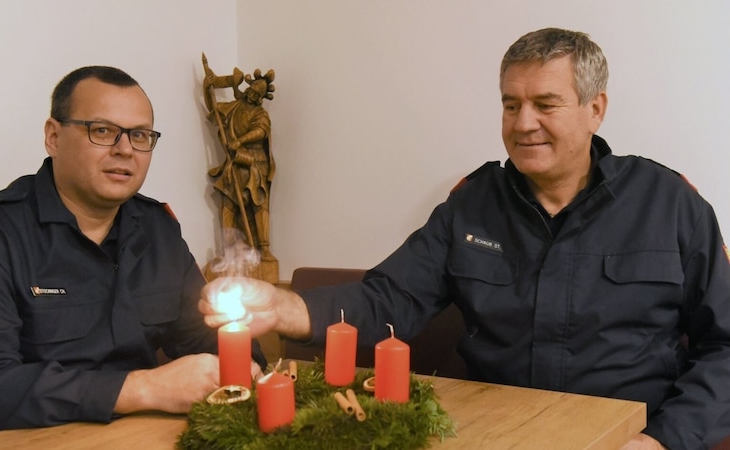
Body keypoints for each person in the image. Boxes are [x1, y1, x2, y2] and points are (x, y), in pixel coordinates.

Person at [199, 28, 730, 450]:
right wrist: (282, 307)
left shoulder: (671, 204)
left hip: (626, 439)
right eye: (510, 104)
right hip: (491, 436)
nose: (524, 124)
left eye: (545, 104)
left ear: (595, 109)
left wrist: (663, 441)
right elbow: (390, 298)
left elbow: (725, 346)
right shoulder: (472, 204)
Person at [0, 66, 265, 444]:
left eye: (139, 135)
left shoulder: (158, 228)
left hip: (138, 436)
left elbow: (206, 337)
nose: (125, 149)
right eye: (102, 131)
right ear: (53, 137)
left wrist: (247, 364)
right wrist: (143, 388)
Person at [202, 59, 277, 262]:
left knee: (258, 203)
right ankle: (228, 248)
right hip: (234, 162)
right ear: (248, 87)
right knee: (228, 203)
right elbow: (214, 107)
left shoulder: (260, 114)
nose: (252, 94)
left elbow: (260, 131)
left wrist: (239, 141)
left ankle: (264, 248)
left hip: (254, 162)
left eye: (257, 94)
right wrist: (215, 82)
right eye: (252, 89)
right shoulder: (235, 106)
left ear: (262, 97)